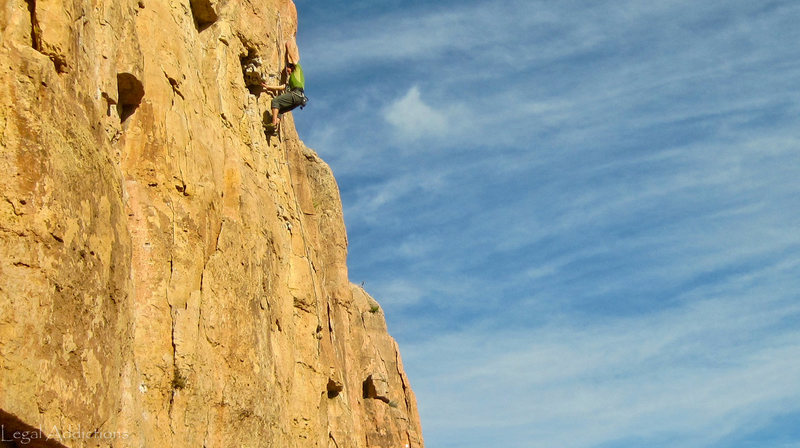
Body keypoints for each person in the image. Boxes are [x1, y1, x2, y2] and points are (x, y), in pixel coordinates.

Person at [261, 62, 306, 130]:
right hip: (299, 99)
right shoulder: (291, 80)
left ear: (292, 67)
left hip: (296, 94)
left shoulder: (297, 71)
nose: (287, 72)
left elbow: (294, 59)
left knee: (275, 101)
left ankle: (273, 124)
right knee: (280, 110)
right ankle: (274, 129)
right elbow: (283, 87)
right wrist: (268, 87)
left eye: (287, 69)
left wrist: (289, 52)